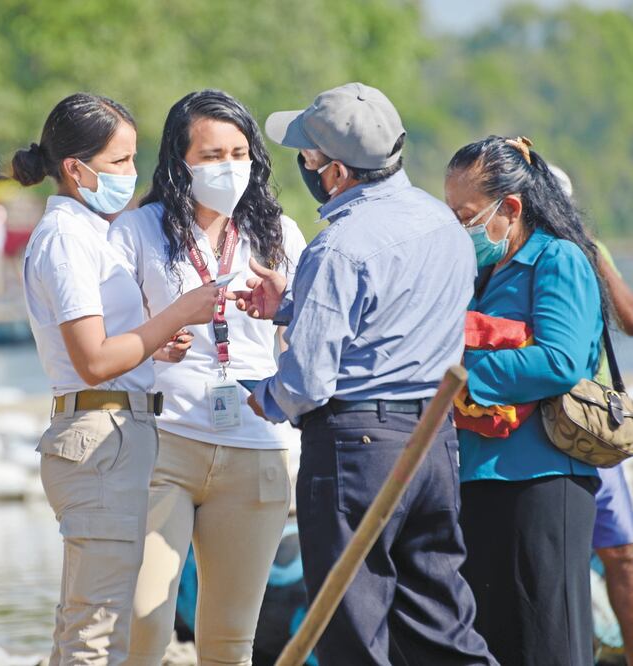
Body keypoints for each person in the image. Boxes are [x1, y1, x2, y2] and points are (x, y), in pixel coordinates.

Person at [231, 82, 496, 666]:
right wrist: (295, 302)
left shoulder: (339, 246)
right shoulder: (443, 225)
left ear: (335, 173)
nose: (303, 165)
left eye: (307, 156)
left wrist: (264, 399)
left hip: (357, 448)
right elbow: (400, 316)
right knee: (439, 622)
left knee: (352, 627)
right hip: (432, 443)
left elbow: (307, 384)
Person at [12, 92, 218, 665]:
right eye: (118, 163)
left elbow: (113, 351)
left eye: (132, 159)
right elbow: (94, 361)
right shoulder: (67, 240)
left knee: (94, 618)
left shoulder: (90, 233)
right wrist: (179, 313)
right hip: (99, 435)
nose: (132, 175)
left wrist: (157, 346)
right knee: (98, 629)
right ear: (75, 169)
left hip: (115, 430)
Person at [108, 89, 306, 666]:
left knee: (229, 641)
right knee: (145, 623)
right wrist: (153, 340)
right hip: (164, 442)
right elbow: (112, 338)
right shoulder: (139, 231)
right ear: (180, 161)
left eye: (239, 152)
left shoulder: (279, 233)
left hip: (257, 447)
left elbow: (302, 347)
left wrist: (284, 308)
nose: (228, 166)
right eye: (212, 154)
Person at [445, 136, 606, 665]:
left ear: (509, 208)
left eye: (465, 214)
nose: (458, 227)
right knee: (494, 635)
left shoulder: (559, 259)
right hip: (480, 477)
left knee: (549, 639)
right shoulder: (481, 269)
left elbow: (562, 361)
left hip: (543, 481)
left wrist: (458, 374)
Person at [551, 163, 633, 664]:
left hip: (594, 420)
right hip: (540, 425)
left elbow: (627, 318)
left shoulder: (584, 252)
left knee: (621, 554)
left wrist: (593, 252)